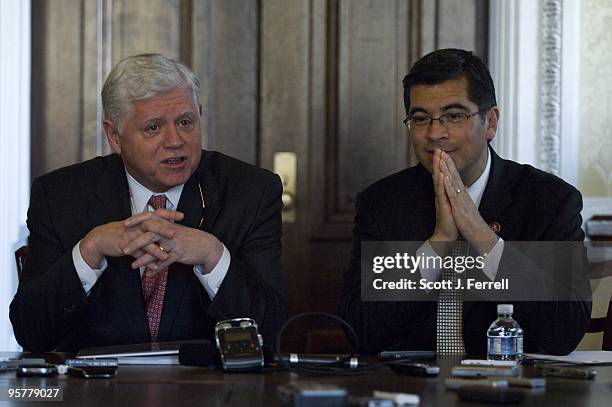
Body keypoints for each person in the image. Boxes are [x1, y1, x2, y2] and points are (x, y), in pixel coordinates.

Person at [10, 53, 287, 353]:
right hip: (96, 392)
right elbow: (30, 332)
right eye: (153, 127)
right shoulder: (61, 196)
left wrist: (213, 256)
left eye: (185, 122)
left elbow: (271, 332)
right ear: (114, 136)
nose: (175, 140)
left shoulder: (250, 192)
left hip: (208, 389)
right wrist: (89, 251)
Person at [338, 48, 591, 357]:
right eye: (420, 119)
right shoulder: (382, 203)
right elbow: (360, 332)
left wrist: (480, 233)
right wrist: (438, 243)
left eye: (454, 116)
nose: (435, 133)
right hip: (411, 389)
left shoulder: (549, 200)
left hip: (509, 390)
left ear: (491, 123)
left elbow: (564, 332)